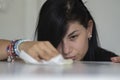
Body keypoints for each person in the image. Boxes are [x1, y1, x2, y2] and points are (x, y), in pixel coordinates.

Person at [0, 0, 120, 63]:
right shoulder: (37, 59)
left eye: (73, 37)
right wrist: (19, 46)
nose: (66, 51)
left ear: (89, 29)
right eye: (56, 38)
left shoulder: (109, 62)